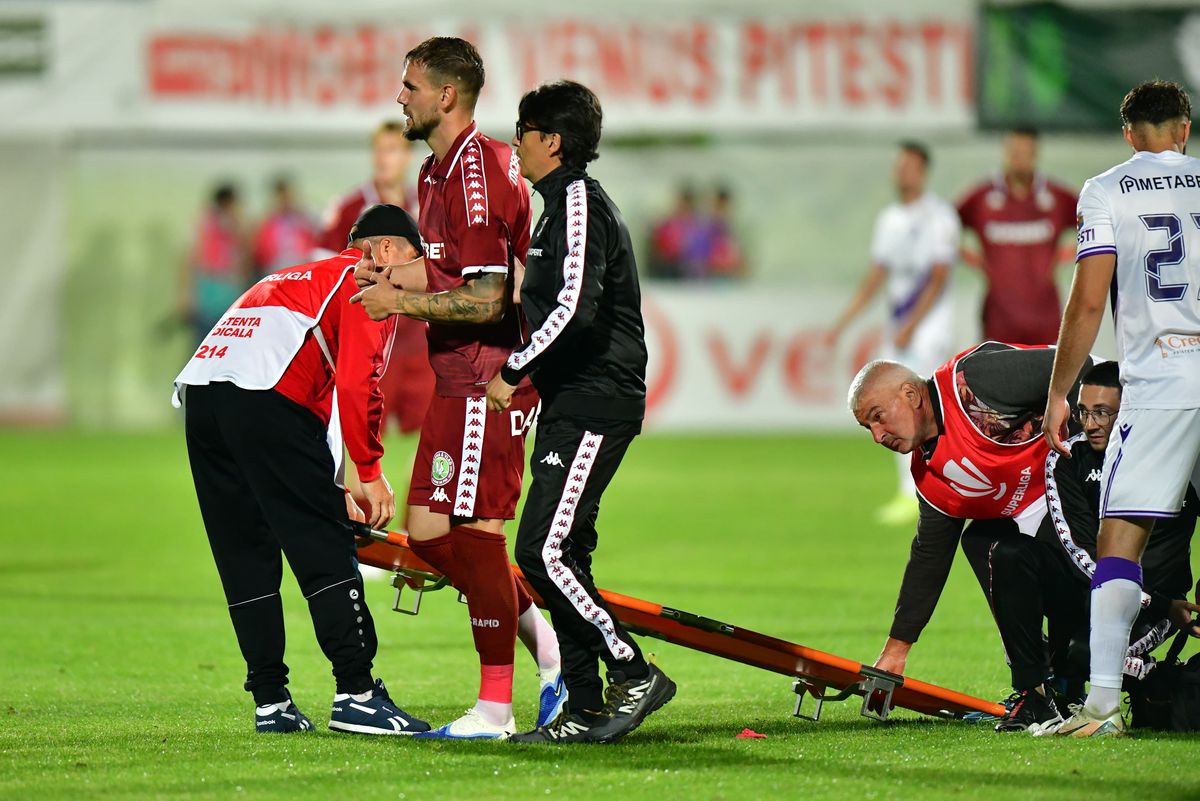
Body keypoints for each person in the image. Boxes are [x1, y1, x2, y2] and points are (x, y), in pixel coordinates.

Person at [350, 36, 563, 741]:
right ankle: (552, 652)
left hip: (487, 381)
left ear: (446, 95)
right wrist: (386, 277)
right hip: (454, 380)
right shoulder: (436, 170)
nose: (399, 97)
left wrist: (398, 303)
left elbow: (489, 300)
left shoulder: (480, 174)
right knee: (431, 538)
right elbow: (445, 274)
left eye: (410, 86)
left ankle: (495, 709)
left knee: (475, 538)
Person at [173, 204, 431, 736]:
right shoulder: (367, 283)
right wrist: (368, 470)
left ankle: (270, 700)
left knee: (245, 551)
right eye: (413, 258)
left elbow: (314, 395)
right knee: (325, 547)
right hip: (268, 397)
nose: (415, 273)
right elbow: (357, 385)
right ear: (385, 249)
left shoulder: (296, 274)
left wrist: (333, 483)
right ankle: (357, 694)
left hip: (202, 393)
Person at [485, 80, 675, 744]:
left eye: (523, 130)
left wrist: (515, 368)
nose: (515, 142)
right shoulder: (557, 206)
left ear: (552, 141)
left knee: (540, 549)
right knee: (563, 552)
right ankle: (585, 706)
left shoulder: (577, 203)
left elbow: (574, 308)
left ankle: (632, 671)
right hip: (573, 399)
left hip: (596, 397)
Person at [1042, 79, 1200, 737]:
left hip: (1161, 382)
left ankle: (1103, 705)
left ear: (1129, 134)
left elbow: (1087, 301)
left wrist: (1060, 391)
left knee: (1119, 542)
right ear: (1185, 130)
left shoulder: (1106, 190)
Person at [847, 343, 1091, 678]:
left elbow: (1079, 366)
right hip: (1043, 506)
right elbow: (930, 557)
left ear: (911, 395)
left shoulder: (974, 382)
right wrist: (896, 651)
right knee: (982, 543)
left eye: (878, 417)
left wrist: (1093, 456)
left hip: (1090, 476)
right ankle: (1037, 678)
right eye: (868, 428)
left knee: (1092, 631)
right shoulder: (930, 474)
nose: (877, 436)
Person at [990, 360, 1196, 733]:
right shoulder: (1067, 458)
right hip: (1118, 594)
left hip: (1159, 603)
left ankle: (1150, 679)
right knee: (1011, 554)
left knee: (1084, 656)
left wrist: (1166, 604)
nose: (1090, 424)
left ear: (1131, 409)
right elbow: (1079, 552)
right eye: (1083, 412)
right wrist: (1158, 602)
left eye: (1102, 412)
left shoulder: (1180, 459)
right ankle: (1034, 695)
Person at [828, 141, 961, 525]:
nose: (903, 172)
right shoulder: (889, 220)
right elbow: (876, 276)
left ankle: (933, 488)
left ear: (923, 172)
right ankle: (913, 491)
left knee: (923, 410)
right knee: (892, 410)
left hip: (928, 330)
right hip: (901, 331)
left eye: (910, 166)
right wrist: (842, 323)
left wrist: (913, 325)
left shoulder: (940, 217)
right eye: (899, 165)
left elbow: (939, 276)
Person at [318, 122, 434, 437]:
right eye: (379, 150)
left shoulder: (425, 204)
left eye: (392, 150)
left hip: (419, 336)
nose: (383, 158)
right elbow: (323, 267)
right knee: (364, 429)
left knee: (431, 430)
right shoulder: (350, 209)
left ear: (407, 156)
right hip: (371, 335)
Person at [957, 126, 1077, 345]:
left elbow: (1095, 222)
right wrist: (974, 259)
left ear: (1035, 155)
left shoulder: (1057, 197)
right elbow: (945, 228)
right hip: (998, 317)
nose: (1019, 160)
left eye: (1026, 153)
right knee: (996, 366)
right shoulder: (981, 198)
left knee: (1047, 367)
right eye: (1014, 153)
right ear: (1005, 153)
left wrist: (1072, 252)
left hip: (1046, 318)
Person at [180, 182, 253, 344]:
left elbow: (247, 257)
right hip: (208, 288)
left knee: (230, 341)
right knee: (204, 341)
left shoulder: (238, 226)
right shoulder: (204, 223)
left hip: (230, 289)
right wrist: (186, 295)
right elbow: (191, 258)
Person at [252, 175, 316, 275]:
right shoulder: (269, 221)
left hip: (301, 264)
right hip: (277, 267)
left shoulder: (303, 218)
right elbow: (262, 249)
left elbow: (312, 241)